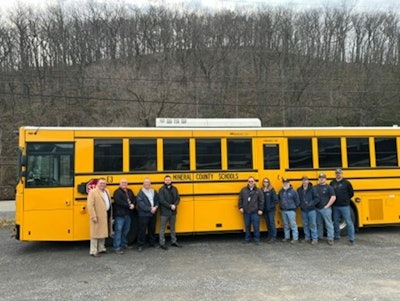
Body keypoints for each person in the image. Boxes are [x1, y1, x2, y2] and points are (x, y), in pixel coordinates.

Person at [87, 178, 112, 257]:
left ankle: (101, 248)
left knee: (103, 232)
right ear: (97, 184)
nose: (102, 185)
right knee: (95, 233)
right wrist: (93, 216)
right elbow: (90, 205)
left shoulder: (106, 191)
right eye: (101, 183)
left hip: (105, 214)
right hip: (97, 215)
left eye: (104, 183)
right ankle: (93, 250)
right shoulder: (93, 192)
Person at [330, 168, 355, 245]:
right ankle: (337, 236)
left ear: (342, 174)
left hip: (345, 206)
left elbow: (351, 193)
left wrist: (346, 200)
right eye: (337, 173)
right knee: (336, 222)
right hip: (335, 206)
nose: (338, 174)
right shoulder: (332, 183)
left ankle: (351, 239)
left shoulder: (346, 183)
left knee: (349, 222)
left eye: (339, 173)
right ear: (335, 174)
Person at [238, 176, 264, 244]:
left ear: (254, 182)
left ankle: (256, 239)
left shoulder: (258, 191)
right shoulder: (243, 190)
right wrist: (240, 207)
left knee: (256, 226)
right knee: (247, 226)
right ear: (248, 182)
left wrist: (260, 209)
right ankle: (247, 239)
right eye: (249, 181)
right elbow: (240, 199)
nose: (250, 183)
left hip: (255, 212)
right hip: (246, 212)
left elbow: (261, 201)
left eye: (252, 181)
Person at [112, 178, 135, 254]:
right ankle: (117, 247)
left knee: (126, 230)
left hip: (128, 214)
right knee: (118, 231)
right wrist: (129, 205)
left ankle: (124, 244)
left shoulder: (130, 191)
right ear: (120, 184)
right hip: (120, 215)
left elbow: (134, 199)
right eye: (122, 183)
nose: (124, 184)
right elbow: (118, 201)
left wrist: (133, 204)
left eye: (125, 183)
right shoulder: (117, 192)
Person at [136, 177, 159, 252]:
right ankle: (140, 245)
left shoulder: (153, 191)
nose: (147, 184)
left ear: (150, 183)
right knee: (142, 230)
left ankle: (152, 243)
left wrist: (155, 207)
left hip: (153, 213)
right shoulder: (140, 193)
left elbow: (157, 200)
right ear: (143, 184)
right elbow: (140, 204)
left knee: (152, 229)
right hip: (144, 214)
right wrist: (150, 209)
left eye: (148, 183)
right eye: (146, 183)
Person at [158, 175, 181, 250]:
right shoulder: (161, 189)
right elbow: (161, 200)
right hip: (165, 211)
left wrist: (175, 205)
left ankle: (173, 241)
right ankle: (162, 243)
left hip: (173, 211)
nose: (168, 181)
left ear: (171, 181)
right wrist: (170, 206)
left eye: (169, 180)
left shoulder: (174, 189)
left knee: (172, 227)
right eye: (166, 180)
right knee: (162, 228)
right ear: (164, 181)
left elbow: (178, 198)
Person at [314, 173, 336, 245]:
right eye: (320, 178)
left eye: (323, 178)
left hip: (325, 209)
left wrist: (327, 205)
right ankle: (319, 236)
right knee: (319, 223)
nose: (321, 179)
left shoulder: (329, 187)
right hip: (317, 209)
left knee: (328, 224)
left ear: (325, 179)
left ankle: (330, 238)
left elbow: (333, 197)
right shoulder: (315, 187)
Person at [297, 176, 319, 245]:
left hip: (311, 210)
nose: (304, 182)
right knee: (305, 224)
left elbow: (317, 199)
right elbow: (298, 199)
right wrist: (300, 205)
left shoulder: (312, 189)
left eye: (306, 180)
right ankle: (307, 238)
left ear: (308, 181)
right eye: (303, 180)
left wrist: (311, 204)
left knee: (313, 224)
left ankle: (315, 239)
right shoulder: (299, 190)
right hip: (303, 210)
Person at [278, 178, 300, 244]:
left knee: (293, 224)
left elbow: (297, 201)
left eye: (287, 183)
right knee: (286, 224)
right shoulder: (280, 191)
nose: (285, 184)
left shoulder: (293, 191)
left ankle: (295, 238)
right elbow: (279, 200)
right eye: (284, 183)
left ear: (289, 183)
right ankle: (287, 237)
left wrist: (294, 208)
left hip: (291, 210)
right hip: (283, 210)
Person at [261, 177, 278, 243]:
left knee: (271, 223)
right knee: (267, 223)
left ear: (269, 183)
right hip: (265, 210)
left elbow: (275, 200)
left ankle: (273, 237)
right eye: (264, 181)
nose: (265, 183)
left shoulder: (271, 190)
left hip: (271, 210)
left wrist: (270, 207)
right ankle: (269, 236)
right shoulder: (262, 190)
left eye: (267, 181)